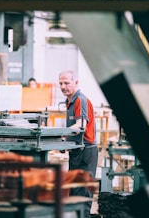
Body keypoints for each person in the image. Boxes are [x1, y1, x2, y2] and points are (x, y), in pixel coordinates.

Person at [58, 70, 98, 218]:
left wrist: (59, 134)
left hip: (86, 151)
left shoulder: (80, 99)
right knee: (75, 191)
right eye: (61, 83)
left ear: (76, 83)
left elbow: (80, 126)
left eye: (66, 83)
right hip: (77, 151)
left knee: (83, 193)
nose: (63, 86)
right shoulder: (70, 101)